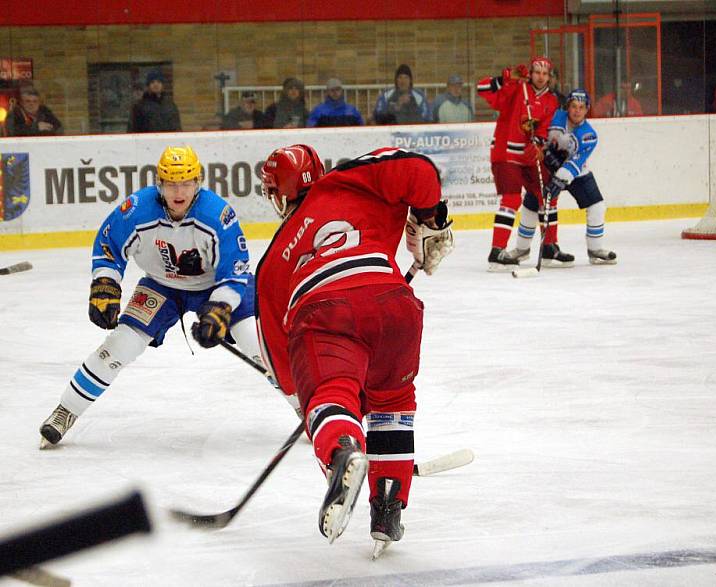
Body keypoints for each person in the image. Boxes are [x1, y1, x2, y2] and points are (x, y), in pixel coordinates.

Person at [255, 145, 453, 553]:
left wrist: (310, 407)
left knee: (332, 396)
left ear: (279, 193)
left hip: (325, 312)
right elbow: (418, 169)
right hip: (393, 304)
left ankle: (344, 451)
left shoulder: (274, 258)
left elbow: (277, 355)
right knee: (392, 401)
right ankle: (388, 512)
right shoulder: (348, 182)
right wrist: (431, 217)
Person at [38, 146, 296, 448]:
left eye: (186, 182)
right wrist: (105, 283)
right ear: (159, 182)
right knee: (119, 345)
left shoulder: (217, 215)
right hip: (161, 286)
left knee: (259, 343)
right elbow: (108, 244)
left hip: (214, 286)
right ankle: (65, 410)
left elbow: (235, 272)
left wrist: (221, 307)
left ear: (198, 181)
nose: (179, 191)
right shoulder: (137, 209)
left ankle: (304, 404)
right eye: (171, 182)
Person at [477, 56, 571, 271]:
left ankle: (549, 246)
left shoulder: (551, 100)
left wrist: (538, 142)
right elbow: (482, 89)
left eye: (545, 73)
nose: (541, 76)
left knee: (548, 193)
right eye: (537, 72)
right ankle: (496, 251)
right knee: (511, 199)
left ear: (550, 77)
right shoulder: (517, 89)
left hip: (529, 156)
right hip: (506, 153)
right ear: (530, 73)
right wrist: (506, 78)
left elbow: (545, 127)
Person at [510, 89, 617, 265]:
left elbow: (577, 161)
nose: (577, 111)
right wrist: (534, 137)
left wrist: (560, 180)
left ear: (587, 109)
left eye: (581, 107)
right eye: (574, 106)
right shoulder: (554, 117)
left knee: (597, 206)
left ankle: (595, 249)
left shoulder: (589, 135)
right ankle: (522, 249)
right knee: (531, 206)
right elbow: (537, 130)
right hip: (545, 169)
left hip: (575, 173)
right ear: (567, 107)